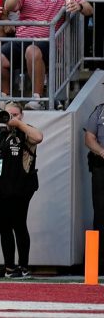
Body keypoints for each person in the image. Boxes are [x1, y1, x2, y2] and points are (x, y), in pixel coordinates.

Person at [0, 0, 93, 109]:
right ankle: (5, 97)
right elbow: (8, 7)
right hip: (22, 39)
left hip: (48, 41)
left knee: (32, 50)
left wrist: (78, 6)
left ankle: (36, 99)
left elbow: (89, 9)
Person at [0, 102, 43, 278]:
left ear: (22, 115)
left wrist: (19, 124)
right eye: (8, 114)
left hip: (21, 187)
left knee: (19, 225)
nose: (12, 117)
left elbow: (38, 137)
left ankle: (23, 266)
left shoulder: (26, 131)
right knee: (4, 227)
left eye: (16, 114)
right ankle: (9, 266)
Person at [85, 98, 104, 270]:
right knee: (100, 212)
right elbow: (89, 138)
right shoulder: (99, 111)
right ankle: (100, 263)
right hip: (101, 167)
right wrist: (101, 151)